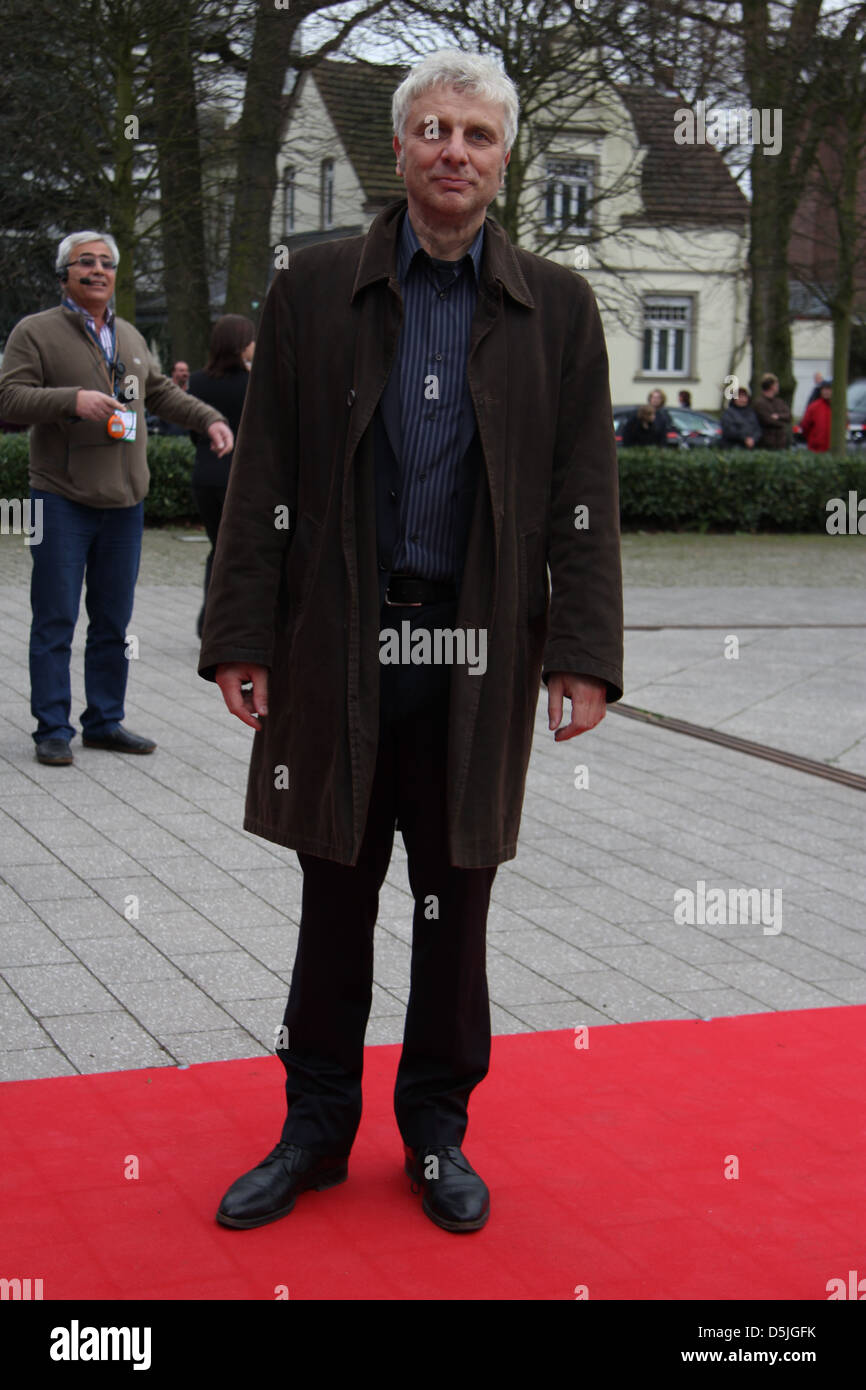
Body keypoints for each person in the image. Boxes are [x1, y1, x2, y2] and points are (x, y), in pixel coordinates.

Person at [199, 50, 623, 1235]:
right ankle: (314, 1129)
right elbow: (265, 475)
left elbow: (584, 492)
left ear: (501, 159)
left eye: (477, 134)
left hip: (477, 652)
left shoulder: (557, 309)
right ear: (399, 150)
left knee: (454, 903)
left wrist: (581, 649)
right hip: (340, 645)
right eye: (433, 129)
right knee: (332, 898)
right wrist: (240, 632)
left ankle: (436, 1132)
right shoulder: (315, 288)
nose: (453, 150)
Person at [0, 231, 233, 766]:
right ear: (65, 275)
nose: (99, 270)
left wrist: (211, 419)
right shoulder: (34, 332)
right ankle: (52, 729)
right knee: (56, 618)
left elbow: (157, 392)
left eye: (107, 263)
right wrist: (72, 400)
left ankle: (104, 721)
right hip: (59, 499)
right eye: (86, 262)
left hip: (126, 504)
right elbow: (9, 395)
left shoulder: (127, 334)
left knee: (112, 622)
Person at [188, 316, 255, 635]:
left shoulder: (198, 382)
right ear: (242, 344)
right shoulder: (254, 383)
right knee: (241, 551)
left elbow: (192, 429)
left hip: (205, 474)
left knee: (218, 547)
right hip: (241, 478)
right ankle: (233, 622)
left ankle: (209, 619)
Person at [753, 373, 792, 449]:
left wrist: (778, 416)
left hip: (781, 443)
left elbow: (789, 416)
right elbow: (767, 420)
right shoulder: (759, 403)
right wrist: (783, 421)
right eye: (777, 385)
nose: (778, 387)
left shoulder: (779, 402)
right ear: (772, 386)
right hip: (766, 444)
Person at [156, 360, 192, 436]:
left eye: (187, 371)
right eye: (181, 371)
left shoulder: (192, 394)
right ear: (173, 373)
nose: (185, 374)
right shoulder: (165, 393)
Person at [799, 378, 833, 452]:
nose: (826, 392)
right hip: (816, 449)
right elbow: (805, 425)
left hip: (832, 448)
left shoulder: (838, 408)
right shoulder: (814, 407)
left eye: (829, 389)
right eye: (824, 389)